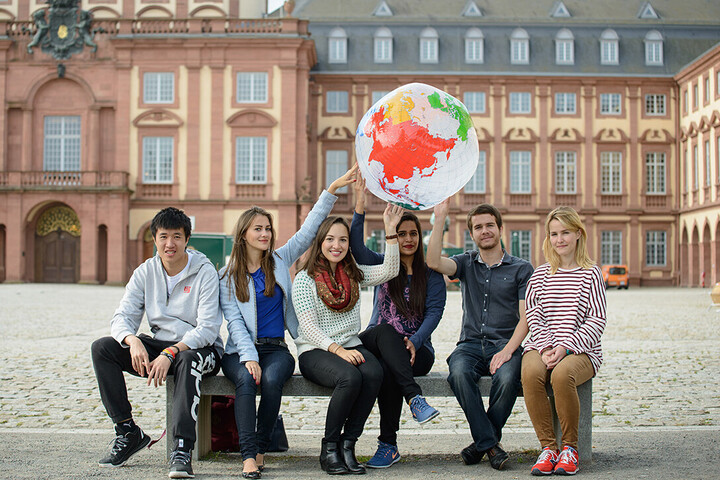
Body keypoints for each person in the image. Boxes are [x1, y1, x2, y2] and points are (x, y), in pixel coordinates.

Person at [219, 166, 358, 479]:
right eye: (258, 229)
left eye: (268, 228)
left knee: (271, 380)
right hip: (239, 351)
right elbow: (235, 323)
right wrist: (249, 358)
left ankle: (261, 449)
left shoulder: (280, 259)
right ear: (244, 234)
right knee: (245, 379)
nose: (265, 234)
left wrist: (331, 190)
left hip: (277, 349)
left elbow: (309, 231)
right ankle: (248, 457)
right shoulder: (227, 277)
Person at [91, 207, 223, 479]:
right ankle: (128, 432)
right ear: (155, 239)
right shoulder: (145, 272)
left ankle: (182, 449)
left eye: (177, 236)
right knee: (103, 348)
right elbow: (122, 316)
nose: (170, 244)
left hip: (199, 350)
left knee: (187, 359)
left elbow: (208, 328)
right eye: (163, 237)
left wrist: (171, 352)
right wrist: (132, 340)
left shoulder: (205, 271)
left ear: (187, 239)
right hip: (159, 345)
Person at [292, 204, 403, 475]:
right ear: (320, 243)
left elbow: (390, 270)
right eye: (330, 239)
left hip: (350, 345)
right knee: (350, 378)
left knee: (374, 372)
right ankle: (329, 447)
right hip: (315, 350)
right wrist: (338, 351)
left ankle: (348, 444)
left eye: (342, 239)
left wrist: (390, 231)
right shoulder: (305, 280)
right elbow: (308, 328)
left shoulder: (353, 275)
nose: (336, 245)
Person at [426, 199, 534, 470]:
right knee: (458, 374)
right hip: (470, 345)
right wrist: (440, 218)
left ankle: (481, 445)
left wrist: (509, 350)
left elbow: (527, 318)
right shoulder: (465, 263)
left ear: (499, 228)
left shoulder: (521, 269)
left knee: (509, 378)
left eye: (489, 225)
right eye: (478, 227)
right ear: (471, 234)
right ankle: (490, 444)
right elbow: (433, 261)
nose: (484, 231)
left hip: (505, 344)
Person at [349, 176, 446, 468]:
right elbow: (356, 249)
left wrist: (416, 341)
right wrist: (360, 203)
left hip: (417, 351)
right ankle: (415, 400)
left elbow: (435, 313)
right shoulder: (382, 263)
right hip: (378, 343)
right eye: (401, 233)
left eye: (412, 233)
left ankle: (388, 446)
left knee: (391, 370)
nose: (407, 239)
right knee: (385, 331)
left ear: (419, 237)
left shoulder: (430, 274)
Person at [522, 206, 606, 476]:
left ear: (578, 234)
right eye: (554, 234)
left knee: (561, 376)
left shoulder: (591, 273)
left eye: (565, 233)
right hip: (542, 345)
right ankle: (548, 448)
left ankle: (570, 448)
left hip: (581, 350)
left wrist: (566, 347)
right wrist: (547, 346)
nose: (560, 239)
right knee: (531, 372)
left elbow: (596, 320)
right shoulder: (540, 274)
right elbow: (534, 314)